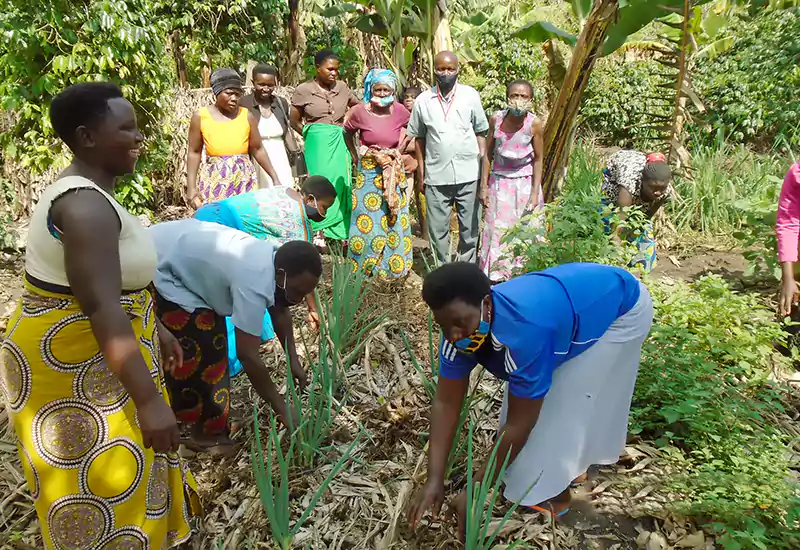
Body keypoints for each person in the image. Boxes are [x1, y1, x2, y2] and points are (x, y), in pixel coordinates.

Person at [0, 82, 199, 548]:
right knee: (102, 482)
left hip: (99, 353)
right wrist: (150, 401)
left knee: (127, 472)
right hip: (73, 366)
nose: (138, 138)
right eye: (125, 128)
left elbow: (118, 285)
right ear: (87, 137)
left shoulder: (95, 195)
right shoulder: (84, 205)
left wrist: (159, 328)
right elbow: (101, 306)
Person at [407, 262, 653, 536]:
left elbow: (519, 424)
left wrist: (474, 493)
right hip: (573, 300)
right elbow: (446, 403)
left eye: (460, 323)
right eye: (443, 325)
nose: (453, 335)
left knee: (563, 406)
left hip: (620, 311)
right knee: (540, 410)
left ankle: (555, 495)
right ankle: (571, 469)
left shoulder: (525, 331)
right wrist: (434, 479)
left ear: (486, 303)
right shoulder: (458, 333)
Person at [148, 219, 321, 453]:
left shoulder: (274, 260)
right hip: (161, 263)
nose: (300, 299)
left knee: (211, 342)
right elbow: (247, 355)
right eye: (298, 291)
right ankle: (202, 435)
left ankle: (204, 423)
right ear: (281, 275)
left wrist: (293, 359)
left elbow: (279, 308)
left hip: (175, 245)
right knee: (206, 348)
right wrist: (282, 408)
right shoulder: (253, 278)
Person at [194, 175, 337, 376]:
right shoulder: (299, 224)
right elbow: (303, 272)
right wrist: (313, 309)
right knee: (235, 300)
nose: (324, 213)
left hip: (209, 213)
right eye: (325, 207)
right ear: (311, 199)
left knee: (259, 293)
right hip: (221, 227)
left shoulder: (286, 191)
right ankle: (229, 363)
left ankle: (242, 351)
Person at [407, 51, 489, 265]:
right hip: (436, 175)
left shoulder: (470, 95)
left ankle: (465, 271)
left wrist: (483, 172)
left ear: (458, 69)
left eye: (450, 69)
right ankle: (441, 274)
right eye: (441, 69)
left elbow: (481, 132)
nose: (446, 73)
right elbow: (419, 139)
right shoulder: (423, 101)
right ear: (434, 69)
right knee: (437, 231)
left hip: (469, 172)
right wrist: (422, 174)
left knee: (469, 230)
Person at [343, 68, 414, 278]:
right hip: (369, 171)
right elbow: (346, 133)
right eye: (378, 89)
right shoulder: (359, 112)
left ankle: (393, 267)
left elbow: (412, 130)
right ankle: (365, 268)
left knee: (394, 215)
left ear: (392, 91)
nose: (382, 94)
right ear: (370, 89)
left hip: (392, 170)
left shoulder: (401, 111)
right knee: (367, 218)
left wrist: (399, 152)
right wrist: (355, 155)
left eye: (386, 90)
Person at [186, 68, 287, 209]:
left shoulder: (246, 116)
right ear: (217, 92)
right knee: (216, 222)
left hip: (243, 178)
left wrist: (275, 178)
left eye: (237, 94)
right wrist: (191, 187)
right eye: (229, 93)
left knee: (243, 221)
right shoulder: (201, 117)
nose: (234, 98)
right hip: (215, 179)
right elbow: (194, 152)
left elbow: (258, 149)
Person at [479, 79, 544, 283]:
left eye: (523, 96)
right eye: (514, 95)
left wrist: (535, 193)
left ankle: (523, 273)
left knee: (525, 229)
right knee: (496, 229)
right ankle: (496, 275)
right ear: (507, 98)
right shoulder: (496, 120)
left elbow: (539, 159)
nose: (518, 100)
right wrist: (483, 187)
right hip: (499, 182)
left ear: (531, 100)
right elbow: (487, 154)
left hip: (524, 183)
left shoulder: (534, 124)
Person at [291, 49, 359, 242]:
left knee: (341, 182)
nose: (333, 73)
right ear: (317, 68)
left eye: (336, 70)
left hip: (339, 140)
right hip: (317, 144)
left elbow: (357, 105)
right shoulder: (304, 90)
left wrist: (347, 118)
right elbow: (294, 119)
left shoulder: (343, 87)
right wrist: (310, 133)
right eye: (329, 69)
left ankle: (339, 232)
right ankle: (318, 230)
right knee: (318, 183)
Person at [601, 150, 672, 272]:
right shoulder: (629, 182)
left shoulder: (665, 192)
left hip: (636, 185)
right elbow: (620, 216)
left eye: (661, 188)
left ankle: (641, 273)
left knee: (643, 235)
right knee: (608, 219)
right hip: (615, 171)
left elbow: (645, 217)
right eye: (653, 187)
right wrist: (616, 241)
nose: (657, 192)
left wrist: (634, 234)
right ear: (642, 180)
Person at [240, 64, 298, 187]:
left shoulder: (281, 103)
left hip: (280, 155)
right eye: (261, 84)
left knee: (283, 190)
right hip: (256, 156)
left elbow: (286, 130)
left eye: (270, 85)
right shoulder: (244, 103)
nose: (266, 88)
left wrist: (296, 154)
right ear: (253, 82)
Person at [399, 86, 427, 238]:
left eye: (413, 97)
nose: (409, 100)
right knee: (405, 196)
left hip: (425, 162)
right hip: (407, 165)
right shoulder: (398, 117)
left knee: (423, 198)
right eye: (407, 97)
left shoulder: (424, 117)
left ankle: (426, 233)